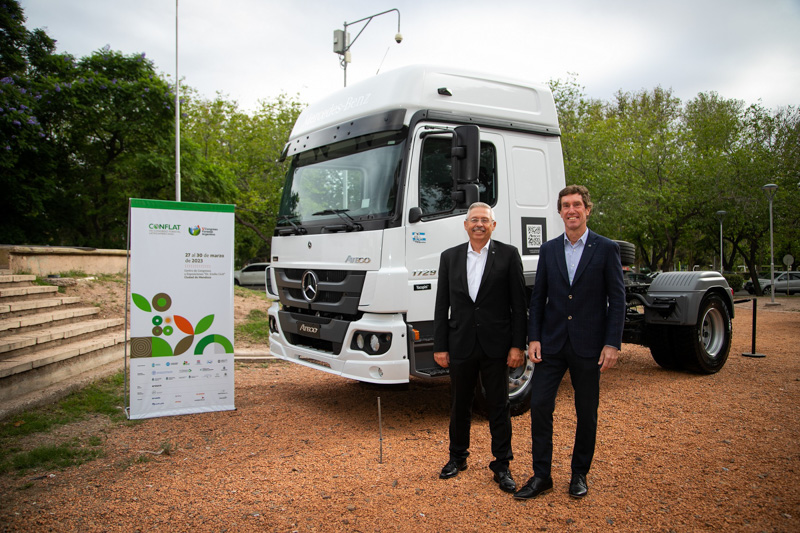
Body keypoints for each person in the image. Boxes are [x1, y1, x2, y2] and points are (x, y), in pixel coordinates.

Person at [514, 185, 625, 501]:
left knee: (586, 411)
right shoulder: (548, 250)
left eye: (577, 205)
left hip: (590, 346)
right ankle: (541, 476)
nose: (572, 210)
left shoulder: (605, 249)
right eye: (566, 205)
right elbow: (538, 299)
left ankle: (579, 474)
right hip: (551, 343)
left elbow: (617, 299)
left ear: (587, 210)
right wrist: (533, 337)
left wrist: (612, 343)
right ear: (560, 212)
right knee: (539, 407)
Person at [434, 202, 527, 493]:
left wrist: (517, 346)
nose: (479, 224)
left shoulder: (509, 255)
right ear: (465, 225)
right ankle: (457, 458)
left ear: (493, 225)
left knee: (499, 406)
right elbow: (441, 305)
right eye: (474, 220)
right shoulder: (449, 257)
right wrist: (440, 345)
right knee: (459, 404)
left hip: (496, 346)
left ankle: (502, 465)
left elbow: (518, 306)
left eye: (484, 220)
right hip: (460, 343)